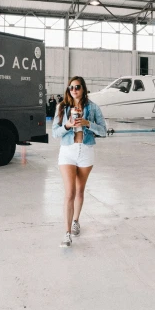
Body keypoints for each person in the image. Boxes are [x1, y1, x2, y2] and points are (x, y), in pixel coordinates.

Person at [52, 76, 106, 248]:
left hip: (86, 152)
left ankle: (76, 221)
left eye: (77, 87)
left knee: (80, 192)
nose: (74, 90)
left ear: (83, 88)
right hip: (68, 152)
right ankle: (67, 233)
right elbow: (54, 133)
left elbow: (104, 131)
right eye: (71, 88)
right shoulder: (62, 107)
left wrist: (87, 123)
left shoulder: (93, 108)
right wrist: (67, 125)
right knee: (69, 193)